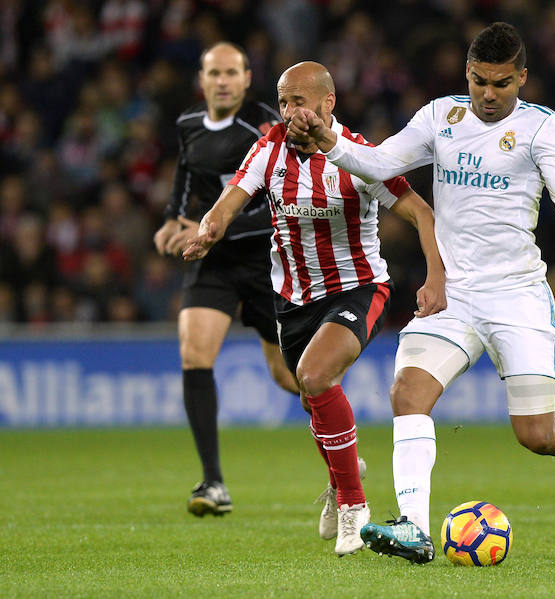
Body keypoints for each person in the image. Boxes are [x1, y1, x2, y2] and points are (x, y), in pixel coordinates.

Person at [291, 22, 555, 563]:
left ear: (522, 78)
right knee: (407, 395)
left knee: (535, 434)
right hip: (454, 293)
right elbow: (382, 162)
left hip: (517, 295)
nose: (489, 95)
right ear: (468, 74)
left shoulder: (543, 128)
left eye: (503, 84)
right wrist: (329, 140)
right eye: (480, 82)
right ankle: (413, 527)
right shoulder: (442, 116)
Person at [183, 61, 445, 555]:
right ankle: (342, 470)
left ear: (328, 104)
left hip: (358, 289)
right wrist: (208, 230)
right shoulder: (269, 148)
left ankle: (353, 503)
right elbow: (231, 197)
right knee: (312, 398)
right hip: (292, 299)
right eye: (283, 101)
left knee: (316, 376)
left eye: (299, 101)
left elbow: (421, 214)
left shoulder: (362, 156)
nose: (290, 111)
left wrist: (436, 277)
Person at [154, 43, 367, 539]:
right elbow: (187, 177)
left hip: (266, 265)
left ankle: (341, 460)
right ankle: (212, 481)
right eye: (214, 73)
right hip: (212, 262)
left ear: (247, 78)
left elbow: (273, 200)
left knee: (289, 376)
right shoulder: (188, 124)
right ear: (203, 80)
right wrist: (174, 219)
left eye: (232, 73)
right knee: (194, 352)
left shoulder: (272, 126)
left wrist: (211, 225)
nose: (223, 81)